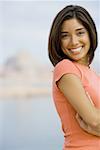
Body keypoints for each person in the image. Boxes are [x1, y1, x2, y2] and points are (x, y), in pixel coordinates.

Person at [48, 5, 100, 150]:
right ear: (57, 40)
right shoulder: (65, 68)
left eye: (80, 33)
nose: (73, 41)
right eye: (65, 35)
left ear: (90, 33)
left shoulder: (93, 74)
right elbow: (94, 120)